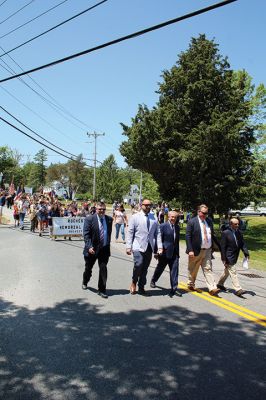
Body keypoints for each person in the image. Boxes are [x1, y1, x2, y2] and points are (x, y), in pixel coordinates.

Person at [126, 199, 161, 296]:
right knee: (138, 264)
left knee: (145, 268)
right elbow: (130, 232)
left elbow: (157, 233)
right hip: (138, 246)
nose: (148, 207)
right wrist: (128, 246)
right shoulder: (135, 217)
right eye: (146, 205)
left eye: (150, 205)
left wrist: (159, 247)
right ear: (141, 205)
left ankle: (141, 287)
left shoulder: (154, 217)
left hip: (149, 246)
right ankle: (134, 281)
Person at [186, 204, 220, 296]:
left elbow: (212, 234)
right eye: (203, 213)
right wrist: (190, 250)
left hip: (207, 250)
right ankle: (191, 283)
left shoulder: (209, 221)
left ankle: (212, 288)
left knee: (208, 268)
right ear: (199, 212)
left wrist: (219, 246)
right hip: (196, 249)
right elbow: (188, 236)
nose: (205, 215)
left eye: (206, 213)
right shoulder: (192, 222)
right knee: (193, 269)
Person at [82, 201, 113, 299]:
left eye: (104, 209)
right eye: (100, 209)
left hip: (104, 249)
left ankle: (102, 289)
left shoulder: (109, 219)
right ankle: (85, 281)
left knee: (103, 269)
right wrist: (89, 246)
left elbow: (108, 233)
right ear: (96, 209)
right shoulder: (89, 219)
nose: (102, 211)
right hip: (92, 249)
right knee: (88, 268)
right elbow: (86, 234)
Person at [150, 210, 181, 298]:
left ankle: (174, 289)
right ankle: (153, 280)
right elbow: (158, 239)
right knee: (160, 268)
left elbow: (177, 241)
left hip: (174, 253)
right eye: (172, 217)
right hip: (164, 252)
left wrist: (178, 252)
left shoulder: (177, 227)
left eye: (175, 217)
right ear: (168, 216)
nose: (173, 219)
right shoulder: (163, 226)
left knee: (174, 271)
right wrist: (156, 252)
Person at [217, 217, 249, 297]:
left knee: (227, 271)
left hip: (235, 255)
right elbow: (222, 247)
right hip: (228, 256)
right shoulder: (225, 233)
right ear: (231, 224)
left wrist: (246, 253)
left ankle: (220, 284)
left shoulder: (239, 232)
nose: (237, 225)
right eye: (235, 224)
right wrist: (223, 258)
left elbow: (242, 243)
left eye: (238, 224)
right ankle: (238, 289)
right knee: (233, 271)